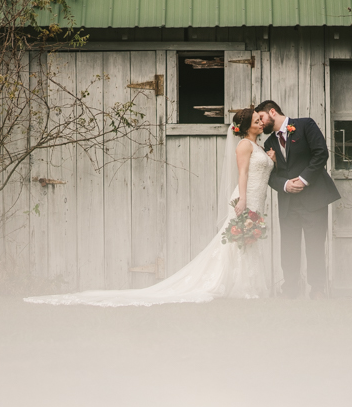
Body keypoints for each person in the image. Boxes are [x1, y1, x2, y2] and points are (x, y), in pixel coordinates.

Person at [23, 108, 275, 307]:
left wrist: (270, 160)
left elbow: (258, 169)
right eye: (255, 120)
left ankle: (247, 286)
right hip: (246, 198)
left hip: (256, 198)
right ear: (244, 127)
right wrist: (242, 200)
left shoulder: (257, 146)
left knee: (246, 242)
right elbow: (242, 174)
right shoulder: (244, 145)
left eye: (259, 119)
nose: (260, 122)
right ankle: (240, 287)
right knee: (238, 244)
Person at [256, 100, 341, 299]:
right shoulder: (269, 143)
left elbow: (321, 154)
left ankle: (317, 289)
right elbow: (269, 175)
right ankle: (291, 288)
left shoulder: (305, 125)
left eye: (261, 118)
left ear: (272, 112)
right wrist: (285, 185)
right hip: (288, 203)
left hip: (314, 199)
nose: (260, 123)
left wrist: (303, 180)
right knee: (288, 246)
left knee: (315, 245)